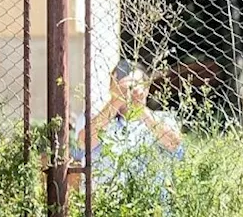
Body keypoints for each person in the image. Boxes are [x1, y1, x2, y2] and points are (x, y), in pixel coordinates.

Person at [70, 60, 185, 207]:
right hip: (105, 207)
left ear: (146, 88)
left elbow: (176, 147)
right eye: (120, 86)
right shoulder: (93, 118)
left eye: (133, 85)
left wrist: (141, 110)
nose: (126, 92)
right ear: (111, 87)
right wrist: (115, 102)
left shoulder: (163, 119)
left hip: (152, 206)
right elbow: (81, 146)